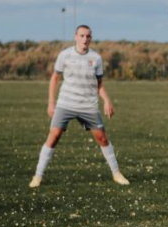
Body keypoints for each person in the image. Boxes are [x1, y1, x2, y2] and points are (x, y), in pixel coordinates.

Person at [29, 25, 129, 188]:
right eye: (82, 36)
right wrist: (51, 102)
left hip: (88, 105)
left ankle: (116, 173)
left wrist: (107, 100)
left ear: (91, 38)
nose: (85, 39)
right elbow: (55, 78)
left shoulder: (96, 58)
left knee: (102, 138)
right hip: (66, 103)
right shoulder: (65, 55)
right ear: (75, 37)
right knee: (54, 136)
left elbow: (99, 84)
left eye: (88, 36)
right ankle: (37, 176)